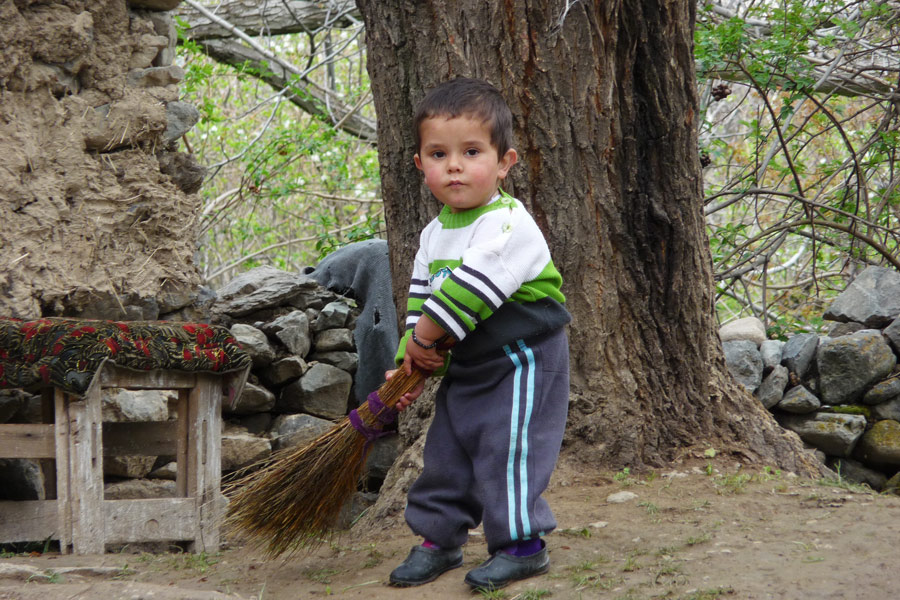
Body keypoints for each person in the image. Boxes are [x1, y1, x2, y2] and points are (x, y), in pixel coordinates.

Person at [386, 77, 572, 591]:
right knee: (448, 447)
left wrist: (424, 344)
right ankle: (439, 538)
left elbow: (465, 295)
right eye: (438, 153)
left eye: (471, 151)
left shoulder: (509, 224)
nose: (454, 165)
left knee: (506, 446)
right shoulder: (434, 232)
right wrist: (411, 362)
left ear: (505, 162)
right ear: (419, 164)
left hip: (523, 357)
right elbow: (422, 300)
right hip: (471, 357)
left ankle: (522, 545)